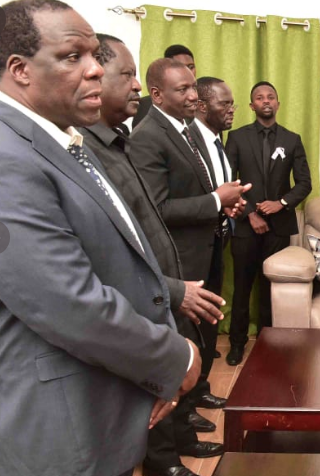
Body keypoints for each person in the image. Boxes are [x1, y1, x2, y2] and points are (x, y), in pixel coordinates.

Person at [0, 2, 199, 475]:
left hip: (101, 403)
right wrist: (175, 358)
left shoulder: (63, 140)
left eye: (94, 55)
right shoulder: (9, 158)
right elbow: (68, 302)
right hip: (60, 429)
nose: (94, 70)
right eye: (73, 57)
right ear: (20, 70)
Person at [81, 34, 229, 476]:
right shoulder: (130, 140)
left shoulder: (121, 139)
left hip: (170, 276)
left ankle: (178, 442)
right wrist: (217, 202)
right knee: (158, 375)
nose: (136, 88)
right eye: (126, 75)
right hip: (152, 285)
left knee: (176, 369)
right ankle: (164, 463)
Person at [130, 58, 248, 419]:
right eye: (182, 89)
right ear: (157, 94)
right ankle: (176, 434)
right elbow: (157, 209)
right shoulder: (148, 137)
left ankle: (193, 406)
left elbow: (197, 189)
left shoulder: (188, 129)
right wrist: (216, 200)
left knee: (205, 336)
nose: (192, 95)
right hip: (178, 261)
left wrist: (221, 206)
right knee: (182, 344)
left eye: (193, 87)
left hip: (208, 248)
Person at [225, 81, 311, 365]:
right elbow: (229, 182)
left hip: (279, 226)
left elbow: (304, 183)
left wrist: (281, 203)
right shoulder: (236, 138)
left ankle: (267, 344)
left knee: (270, 288)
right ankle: (237, 345)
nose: (265, 101)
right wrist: (250, 212)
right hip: (245, 225)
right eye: (259, 97)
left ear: (278, 103)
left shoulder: (292, 139)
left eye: (271, 97)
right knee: (242, 287)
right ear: (251, 106)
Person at [133, 44, 195, 129]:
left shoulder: (200, 102)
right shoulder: (145, 106)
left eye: (191, 67)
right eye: (180, 67)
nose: (187, 72)